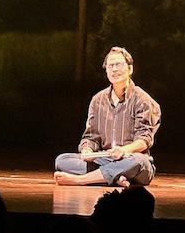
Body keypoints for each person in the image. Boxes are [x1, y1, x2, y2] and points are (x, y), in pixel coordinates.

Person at [53, 47, 162, 187]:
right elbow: (90, 137)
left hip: (131, 160)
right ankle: (115, 177)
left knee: (139, 162)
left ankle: (81, 180)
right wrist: (87, 151)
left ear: (130, 69)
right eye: (110, 66)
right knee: (62, 160)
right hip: (105, 159)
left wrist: (124, 150)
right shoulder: (97, 100)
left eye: (119, 65)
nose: (114, 69)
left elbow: (144, 140)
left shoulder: (142, 100)